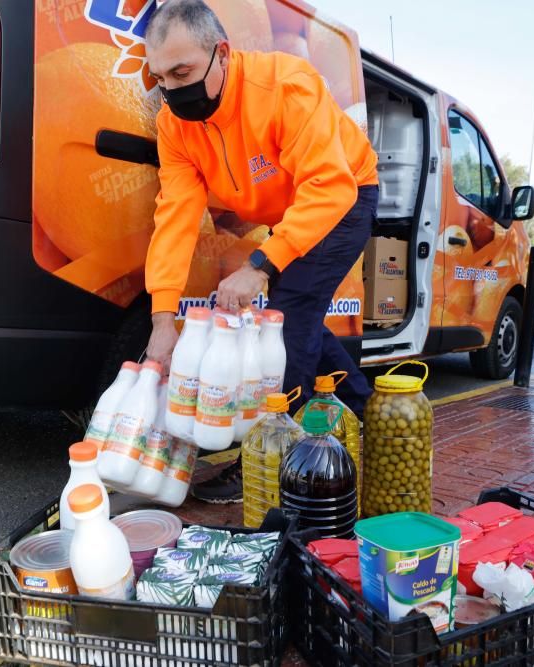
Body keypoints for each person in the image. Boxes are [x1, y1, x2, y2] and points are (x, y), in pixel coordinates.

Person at [141, 0, 378, 503]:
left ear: (221, 54)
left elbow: (329, 188)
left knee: (290, 314)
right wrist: (163, 314)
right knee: (295, 317)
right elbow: (176, 218)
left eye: (182, 71)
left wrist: (260, 264)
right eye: (160, 77)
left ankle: (268, 458)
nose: (171, 89)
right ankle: (363, 409)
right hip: (292, 211)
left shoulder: (285, 86)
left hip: (345, 194)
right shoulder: (174, 124)